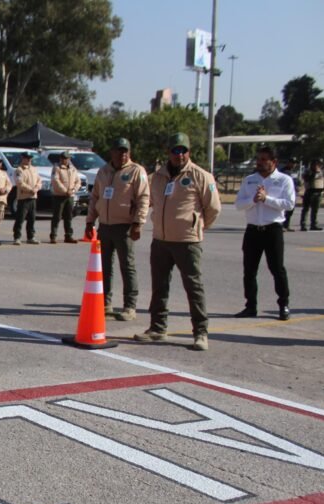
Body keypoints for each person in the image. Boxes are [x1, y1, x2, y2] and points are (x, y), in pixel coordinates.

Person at [134, 132, 221, 351]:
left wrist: (197, 226)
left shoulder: (200, 176)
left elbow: (213, 208)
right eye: (175, 150)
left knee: (193, 286)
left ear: (189, 152)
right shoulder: (158, 176)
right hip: (161, 240)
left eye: (183, 150)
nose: (179, 154)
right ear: (169, 152)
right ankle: (157, 327)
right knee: (159, 286)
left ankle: (200, 332)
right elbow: (151, 201)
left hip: (187, 241)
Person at [85, 138, 149, 322]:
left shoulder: (136, 171)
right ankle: (105, 302)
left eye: (126, 151)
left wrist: (138, 223)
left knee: (127, 266)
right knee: (104, 266)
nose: (123, 155)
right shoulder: (103, 171)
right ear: (111, 152)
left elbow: (143, 198)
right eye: (119, 151)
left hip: (125, 226)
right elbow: (95, 196)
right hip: (105, 225)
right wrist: (90, 221)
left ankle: (130, 305)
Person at [233, 146, 295, 321]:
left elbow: (289, 204)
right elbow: (238, 204)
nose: (259, 163)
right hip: (253, 230)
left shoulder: (284, 180)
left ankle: (284, 305)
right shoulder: (250, 180)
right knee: (249, 270)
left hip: (272, 230)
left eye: (263, 160)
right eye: (258, 159)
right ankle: (250, 306)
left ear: (273, 162)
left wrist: (267, 199)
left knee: (277, 269)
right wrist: (252, 200)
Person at [50, 151, 81, 244]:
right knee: (57, 217)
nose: (66, 160)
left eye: (67, 158)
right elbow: (56, 181)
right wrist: (65, 191)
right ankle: (53, 236)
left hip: (70, 196)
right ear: (60, 159)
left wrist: (73, 190)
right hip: (59, 196)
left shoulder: (73, 169)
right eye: (64, 158)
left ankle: (68, 235)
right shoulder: (57, 168)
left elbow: (78, 181)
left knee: (69, 217)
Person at [12, 153, 41, 245]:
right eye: (26, 158)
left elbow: (39, 181)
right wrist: (30, 189)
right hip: (23, 197)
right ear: (23, 158)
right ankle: (17, 237)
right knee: (20, 218)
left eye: (30, 158)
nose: (28, 160)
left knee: (32, 218)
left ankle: (31, 237)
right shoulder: (19, 170)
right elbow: (19, 182)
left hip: (33, 197)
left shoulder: (34, 169)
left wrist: (36, 188)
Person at [300, 158, 324, 231]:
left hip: (319, 192)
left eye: (320, 164)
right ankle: (303, 225)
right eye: (317, 164)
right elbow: (307, 179)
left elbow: (322, 180)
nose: (319, 165)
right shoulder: (308, 171)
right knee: (306, 209)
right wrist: (314, 173)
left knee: (315, 210)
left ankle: (314, 224)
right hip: (310, 191)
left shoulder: (320, 171)